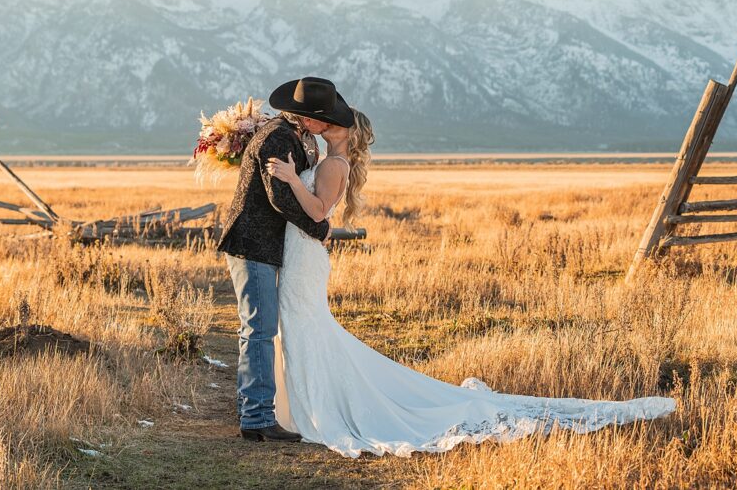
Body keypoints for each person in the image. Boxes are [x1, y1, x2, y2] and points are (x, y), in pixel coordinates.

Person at [266, 107, 677, 458]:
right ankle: (302, 406)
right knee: (305, 328)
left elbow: (319, 212)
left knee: (306, 326)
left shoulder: (336, 164)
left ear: (348, 131)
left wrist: (289, 179)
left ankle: (318, 409)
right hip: (303, 255)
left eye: (334, 120)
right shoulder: (326, 155)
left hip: (306, 258)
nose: (325, 121)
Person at [217, 76, 355, 442]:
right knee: (259, 328)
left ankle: (259, 412)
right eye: (327, 115)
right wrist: (319, 229)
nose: (332, 121)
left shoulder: (299, 137)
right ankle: (257, 420)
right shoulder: (277, 137)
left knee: (262, 327)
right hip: (253, 244)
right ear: (309, 118)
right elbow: (279, 197)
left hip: (269, 245)